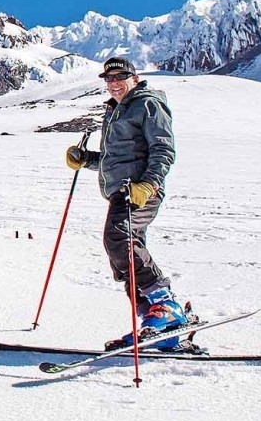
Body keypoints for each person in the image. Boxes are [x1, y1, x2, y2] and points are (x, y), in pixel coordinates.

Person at [64, 56, 186, 349]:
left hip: (139, 190)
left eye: (119, 77)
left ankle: (166, 307)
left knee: (119, 239)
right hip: (121, 191)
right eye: (108, 79)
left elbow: (163, 149)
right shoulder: (116, 110)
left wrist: (148, 184)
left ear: (134, 77)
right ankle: (155, 323)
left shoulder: (147, 104)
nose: (114, 84)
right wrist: (87, 160)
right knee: (122, 255)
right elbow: (114, 157)